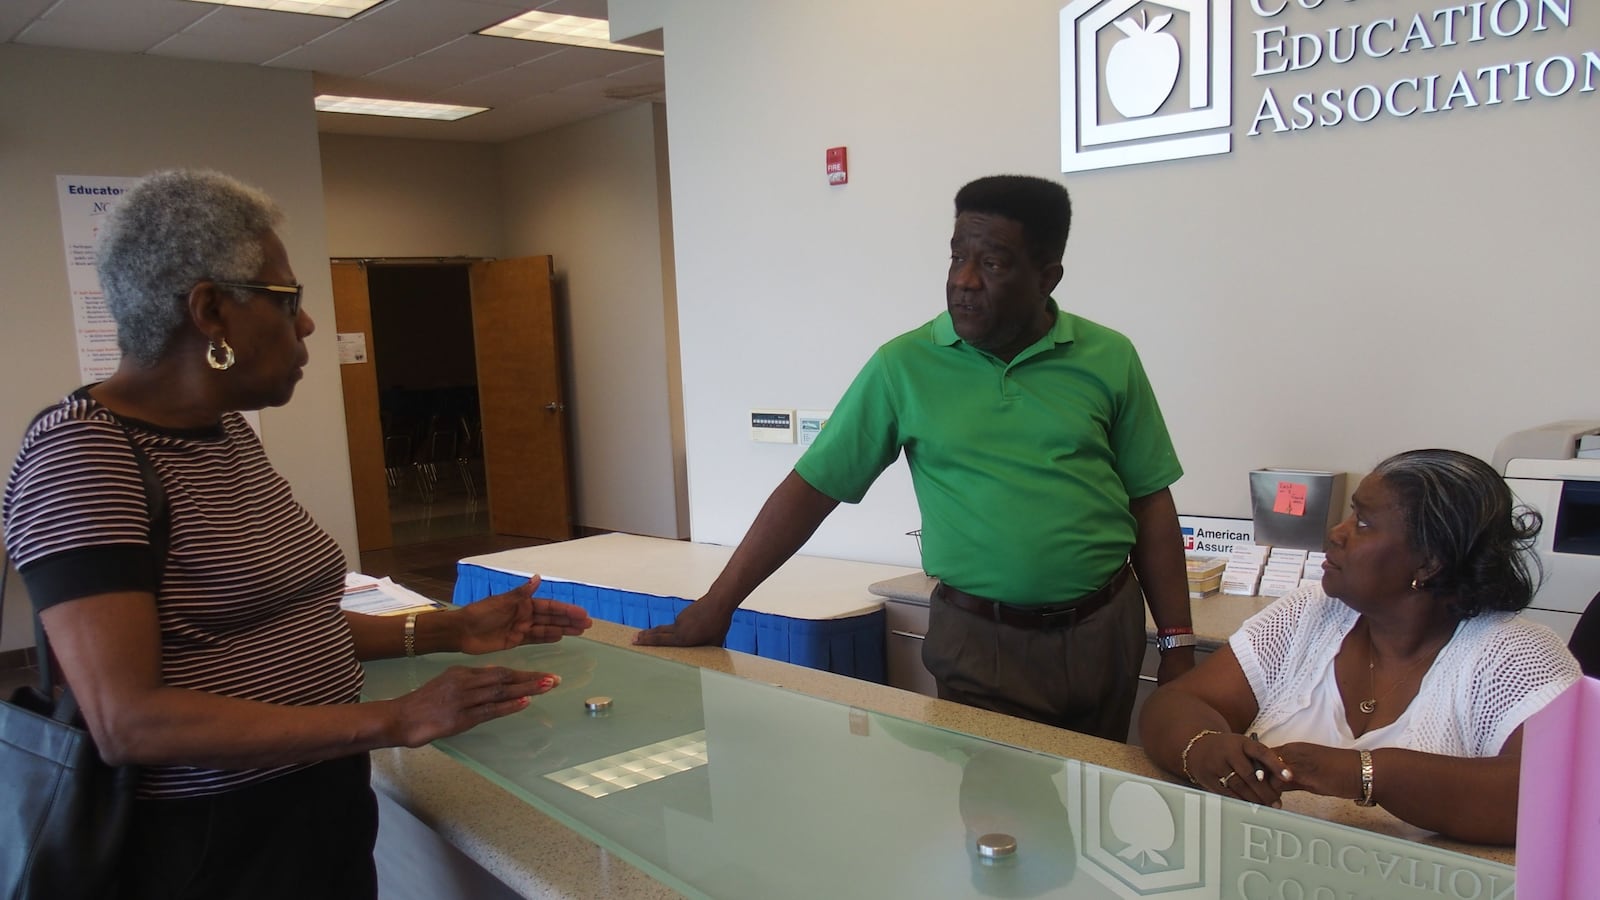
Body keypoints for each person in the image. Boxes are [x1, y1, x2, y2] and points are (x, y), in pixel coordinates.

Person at [1, 169, 594, 899]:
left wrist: (450, 628)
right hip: (207, 845)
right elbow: (132, 722)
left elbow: (279, 629)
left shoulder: (224, 437)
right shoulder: (85, 458)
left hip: (313, 810)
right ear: (211, 311)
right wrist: (392, 719)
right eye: (288, 301)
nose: (308, 324)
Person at [637, 174, 1194, 741]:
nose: (964, 282)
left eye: (993, 264)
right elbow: (811, 490)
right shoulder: (903, 367)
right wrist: (718, 605)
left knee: (1094, 803)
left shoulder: (1109, 357)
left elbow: (1150, 502)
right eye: (957, 258)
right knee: (1002, 821)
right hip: (982, 642)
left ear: (1047, 276)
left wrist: (1176, 645)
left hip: (1105, 630)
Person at [1140, 449, 1582, 845]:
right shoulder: (1311, 614)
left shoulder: (1513, 654)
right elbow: (1177, 703)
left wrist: (1361, 774)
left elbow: (1559, 796)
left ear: (1429, 563)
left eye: (1364, 523)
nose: (1336, 533)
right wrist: (1203, 747)